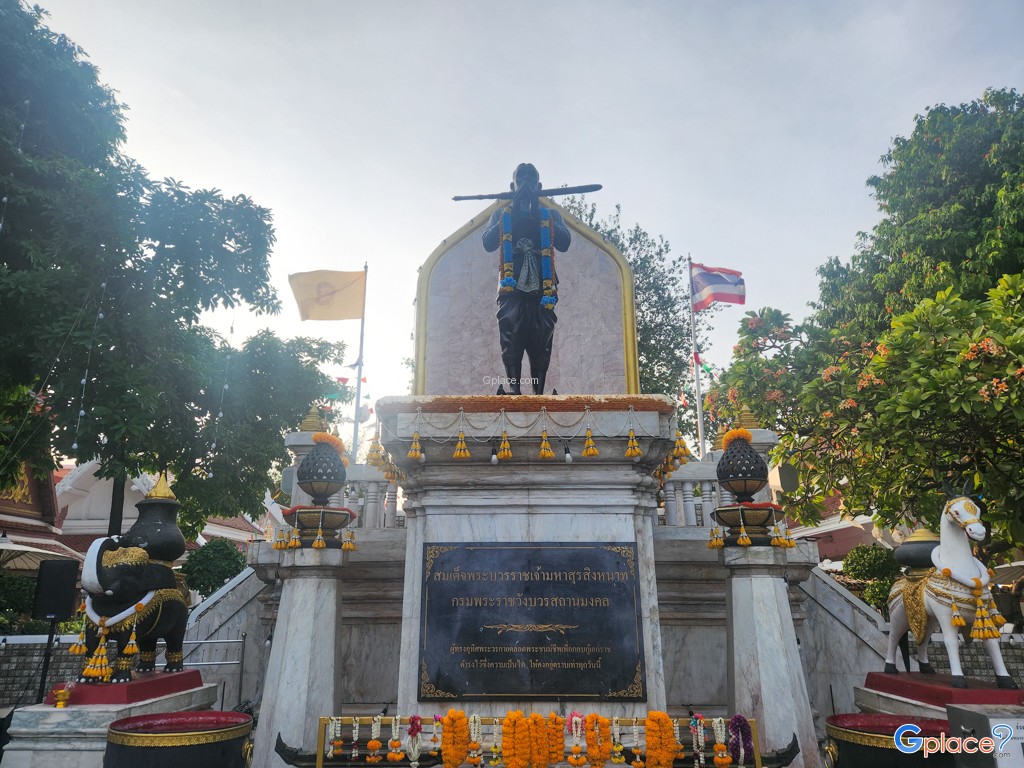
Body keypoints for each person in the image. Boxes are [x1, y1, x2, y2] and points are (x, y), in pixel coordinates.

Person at [481, 163, 571, 394]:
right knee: (511, 338)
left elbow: (564, 242)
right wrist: (516, 208)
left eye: (531, 177)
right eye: (521, 177)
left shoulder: (550, 214)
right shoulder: (502, 214)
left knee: (541, 341)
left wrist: (533, 210)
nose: (526, 181)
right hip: (512, 290)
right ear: (513, 186)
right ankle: (515, 392)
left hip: (544, 290)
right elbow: (488, 243)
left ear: (539, 186)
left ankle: (538, 395)